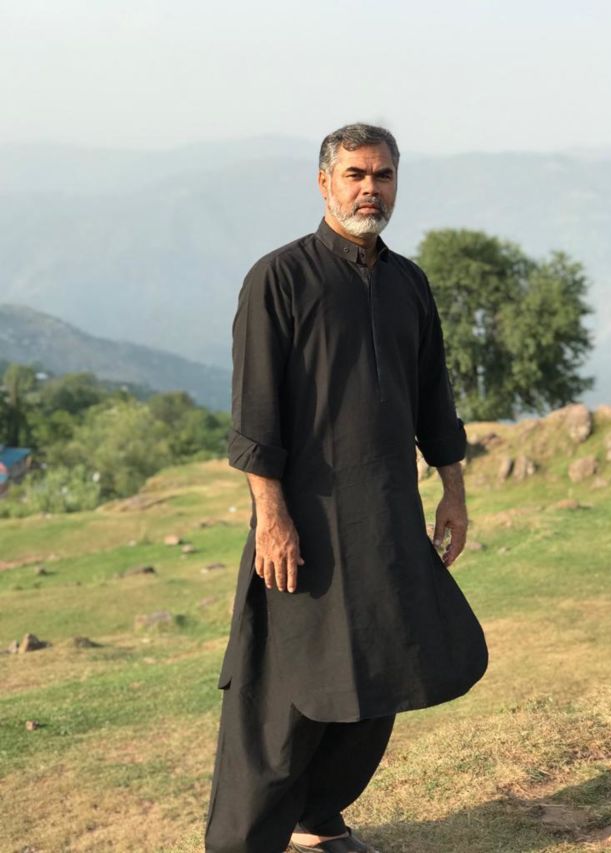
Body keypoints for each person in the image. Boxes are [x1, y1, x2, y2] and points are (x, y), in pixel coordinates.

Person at [204, 123, 488, 853]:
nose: (370, 189)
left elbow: (434, 399)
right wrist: (272, 519)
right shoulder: (280, 278)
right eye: (356, 175)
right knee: (283, 697)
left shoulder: (408, 283)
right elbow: (255, 415)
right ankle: (242, 844)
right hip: (304, 522)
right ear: (324, 182)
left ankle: (317, 817)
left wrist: (453, 491)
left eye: (383, 175)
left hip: (389, 516)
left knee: (383, 669)